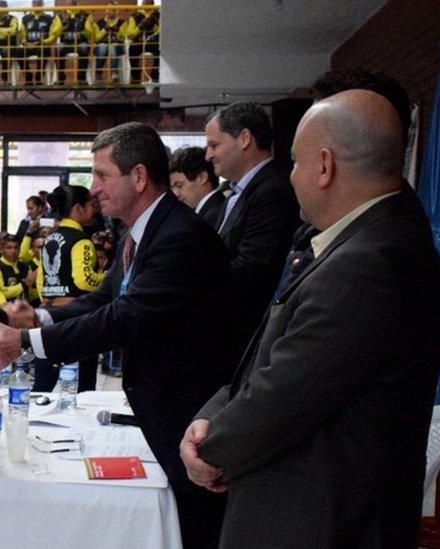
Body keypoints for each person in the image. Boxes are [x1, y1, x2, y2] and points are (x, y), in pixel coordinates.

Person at [182, 89, 440, 548]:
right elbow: (264, 357)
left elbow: (286, 391)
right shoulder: (359, 240)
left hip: (320, 523)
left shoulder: (369, 262)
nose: (290, 176)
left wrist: (209, 445)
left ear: (324, 166)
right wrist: (212, 414)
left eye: (296, 162)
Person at [0, 122, 232, 548]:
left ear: (139, 177)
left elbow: (123, 318)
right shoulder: (140, 232)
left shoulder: (179, 238)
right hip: (162, 409)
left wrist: (28, 344)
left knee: (195, 529)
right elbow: (104, 297)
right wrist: (38, 318)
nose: (94, 189)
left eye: (103, 175)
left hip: (189, 415)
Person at [206, 103, 300, 360]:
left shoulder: (273, 190)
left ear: (245, 139)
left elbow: (254, 269)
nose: (208, 155)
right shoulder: (234, 194)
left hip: (248, 338)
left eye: (214, 145)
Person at [35, 185, 104, 392]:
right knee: (84, 381)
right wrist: (106, 279)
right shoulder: (81, 240)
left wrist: (50, 299)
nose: (95, 210)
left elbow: (41, 278)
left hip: (47, 311)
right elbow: (83, 280)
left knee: (44, 380)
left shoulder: (49, 238)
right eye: (91, 205)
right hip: (76, 314)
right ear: (78, 209)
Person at [169, 146, 225, 228]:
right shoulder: (209, 211)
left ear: (202, 177)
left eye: (179, 185)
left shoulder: (216, 214)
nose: (175, 193)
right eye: (172, 188)